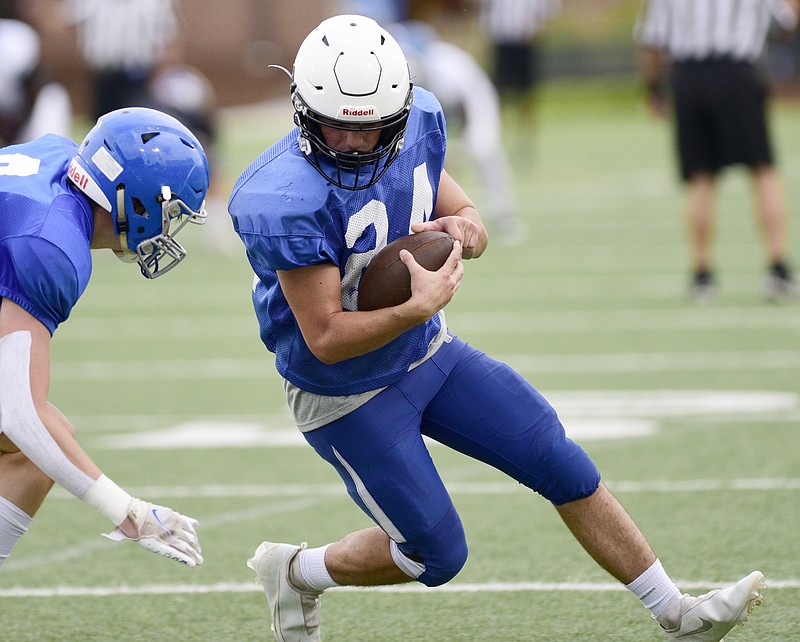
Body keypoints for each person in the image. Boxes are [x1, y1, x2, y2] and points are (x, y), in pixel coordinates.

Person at [228, 15, 766, 642]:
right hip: (344, 392)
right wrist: (414, 308)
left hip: (426, 352)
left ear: (398, 114)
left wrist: (467, 231)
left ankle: (677, 614)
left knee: (556, 457)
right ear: (302, 110)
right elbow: (324, 334)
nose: (351, 140)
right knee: (437, 556)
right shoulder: (285, 195)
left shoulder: (419, 123)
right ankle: (295, 571)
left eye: (368, 124)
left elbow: (462, 211)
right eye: (335, 124)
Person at [0, 107, 209, 568]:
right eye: (169, 212)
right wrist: (127, 511)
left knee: (37, 452)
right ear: (135, 199)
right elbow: (19, 414)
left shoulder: (58, 157)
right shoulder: (51, 245)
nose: (167, 228)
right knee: (34, 437)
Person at [635, 0, 800, 302]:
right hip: (738, 73)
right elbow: (785, 23)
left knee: (700, 178)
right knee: (763, 170)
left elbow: (651, 40)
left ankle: (702, 274)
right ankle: (777, 268)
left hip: (688, 78)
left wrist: (653, 90)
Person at [66, 0, 182, 121]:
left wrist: (160, 73)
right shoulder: (92, 3)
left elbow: (170, 38)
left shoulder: (154, 4)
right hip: (102, 75)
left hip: (136, 75)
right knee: (102, 122)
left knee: (133, 120)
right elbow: (67, 22)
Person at [480, 0, 561, 142]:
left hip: (525, 42)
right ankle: (496, 136)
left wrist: (538, 28)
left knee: (526, 94)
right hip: (502, 41)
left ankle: (525, 139)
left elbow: (549, 9)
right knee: (499, 93)